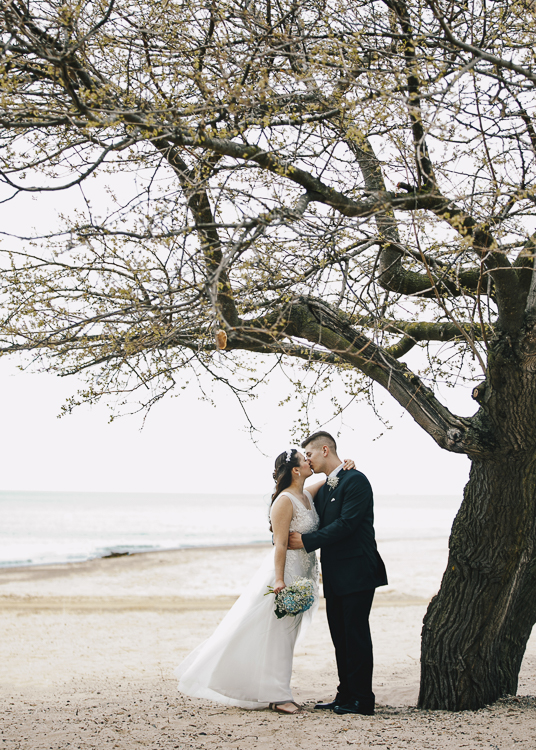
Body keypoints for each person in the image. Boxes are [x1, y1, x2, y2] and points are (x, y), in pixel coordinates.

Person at [175, 449, 355, 714]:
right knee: (279, 634)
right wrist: (280, 580)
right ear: (295, 470)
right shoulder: (284, 501)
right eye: (304, 460)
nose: (309, 461)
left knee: (287, 635)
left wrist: (347, 464)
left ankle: (274, 688)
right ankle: (277, 695)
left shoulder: (305, 494)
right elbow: (280, 544)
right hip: (287, 574)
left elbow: (332, 479)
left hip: (305, 574)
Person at [288, 431, 387, 716]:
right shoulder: (331, 485)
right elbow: (303, 500)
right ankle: (345, 695)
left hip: (358, 570)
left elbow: (346, 525)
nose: (307, 459)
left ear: (325, 450)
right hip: (334, 573)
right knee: (340, 636)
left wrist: (305, 543)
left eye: (310, 454)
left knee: (355, 634)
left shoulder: (356, 481)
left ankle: (362, 700)